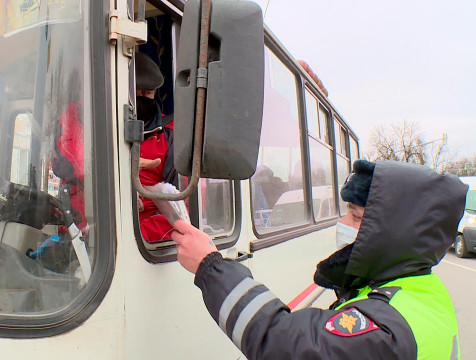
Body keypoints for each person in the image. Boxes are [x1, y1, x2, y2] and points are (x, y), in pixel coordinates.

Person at [171, 160, 468, 359]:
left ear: (395, 234)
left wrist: (210, 266)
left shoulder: (388, 326)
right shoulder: (420, 289)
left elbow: (281, 344)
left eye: (356, 216)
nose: (342, 222)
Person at [135, 52, 178, 242]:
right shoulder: (95, 130)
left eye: (148, 93)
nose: (143, 98)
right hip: (86, 235)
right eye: (137, 91)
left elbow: (179, 211)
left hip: (143, 247)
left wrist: (133, 236)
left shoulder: (171, 138)